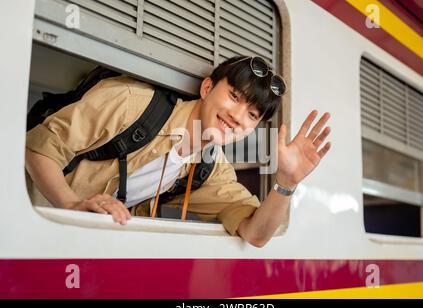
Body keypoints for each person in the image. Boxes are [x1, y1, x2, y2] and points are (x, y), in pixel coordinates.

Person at [25, 56, 331, 247]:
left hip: (70, 246)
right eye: (234, 96)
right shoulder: (131, 101)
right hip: (28, 215)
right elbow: (38, 146)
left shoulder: (211, 169)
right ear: (207, 88)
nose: (238, 116)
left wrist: (287, 183)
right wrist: (72, 204)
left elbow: (255, 234)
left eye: (252, 115)